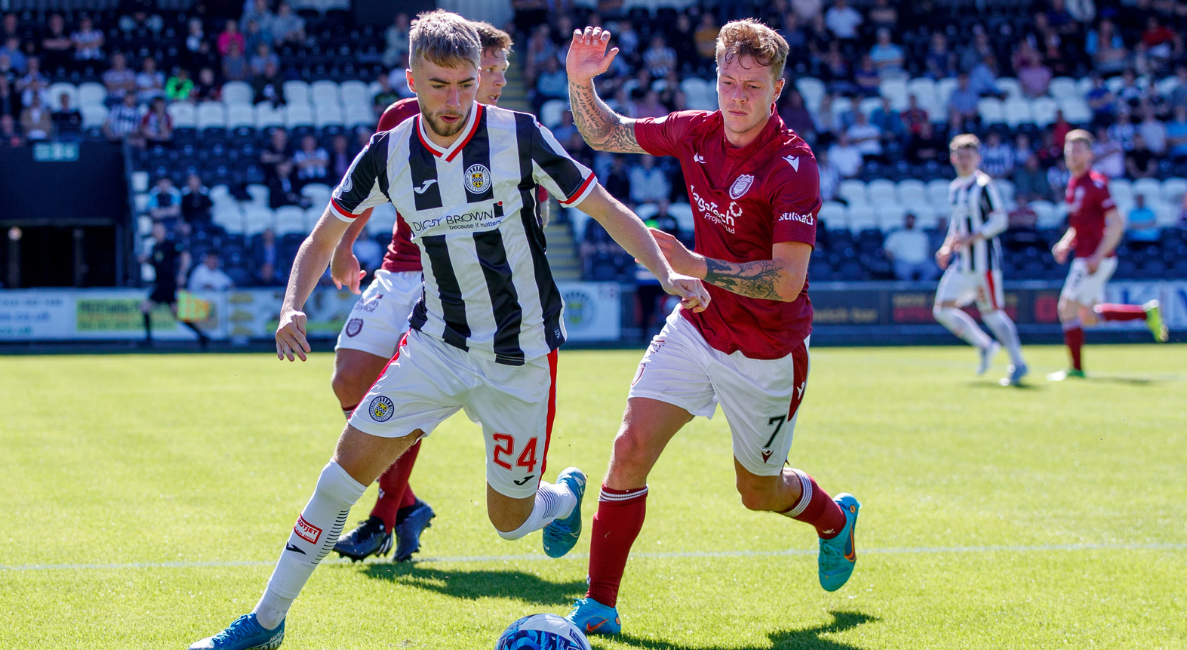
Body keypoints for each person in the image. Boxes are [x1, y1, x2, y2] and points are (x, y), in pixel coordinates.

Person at [186, 12, 708, 650]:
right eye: (439, 85)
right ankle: (265, 623)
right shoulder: (388, 151)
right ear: (412, 79)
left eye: (466, 83)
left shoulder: (520, 135)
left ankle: (560, 499)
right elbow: (322, 238)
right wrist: (293, 305)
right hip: (435, 346)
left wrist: (662, 272)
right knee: (337, 477)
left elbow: (605, 209)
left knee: (509, 523)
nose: (456, 100)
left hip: (520, 360)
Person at [561, 20, 858, 637]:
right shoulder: (696, 130)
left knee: (757, 491)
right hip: (697, 324)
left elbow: (786, 281)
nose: (736, 97)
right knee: (630, 447)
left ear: (778, 88)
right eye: (727, 81)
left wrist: (699, 265)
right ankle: (599, 604)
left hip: (768, 352)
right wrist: (580, 83)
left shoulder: (793, 164)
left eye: (752, 85)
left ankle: (833, 521)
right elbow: (605, 132)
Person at [327, 20, 546, 564]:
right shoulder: (402, 119)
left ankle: (384, 514)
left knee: (408, 390)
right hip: (401, 265)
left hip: (453, 282)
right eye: (488, 71)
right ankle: (407, 505)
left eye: (497, 74)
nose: (493, 82)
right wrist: (342, 246)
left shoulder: (509, 134)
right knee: (349, 378)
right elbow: (364, 191)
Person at [1050, 130, 1169, 382]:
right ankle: (1146, 313)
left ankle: (1077, 369)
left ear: (1090, 154)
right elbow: (1078, 226)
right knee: (1088, 317)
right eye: (1069, 150)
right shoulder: (1073, 183)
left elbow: (1116, 223)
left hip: (1094, 259)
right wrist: (1065, 243)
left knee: (1066, 309)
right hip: (1085, 256)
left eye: (1078, 150)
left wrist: (1097, 255)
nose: (1072, 154)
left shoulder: (1096, 183)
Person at [932, 134, 1029, 386]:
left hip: (984, 264)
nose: (964, 161)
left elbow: (1000, 220)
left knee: (993, 314)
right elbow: (957, 223)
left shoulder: (984, 186)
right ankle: (985, 345)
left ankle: (1018, 362)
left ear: (978, 158)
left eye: (968, 156)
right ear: (953, 158)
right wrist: (946, 247)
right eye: (959, 156)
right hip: (962, 263)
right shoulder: (955, 188)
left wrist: (972, 237)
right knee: (942, 310)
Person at [139, 221, 208, 348]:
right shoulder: (155, 248)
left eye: (159, 230)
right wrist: (146, 260)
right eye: (155, 231)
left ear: (164, 231)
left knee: (144, 307)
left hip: (167, 284)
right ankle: (202, 336)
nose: (157, 233)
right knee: (177, 313)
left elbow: (185, 255)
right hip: (161, 283)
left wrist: (182, 273)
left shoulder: (170, 244)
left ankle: (148, 340)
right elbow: (157, 263)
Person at [885, 213, 938, 281]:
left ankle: (921, 287)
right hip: (903, 260)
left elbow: (928, 249)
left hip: (921, 260)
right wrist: (893, 260)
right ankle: (909, 289)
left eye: (912, 220)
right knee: (902, 272)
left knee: (932, 269)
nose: (910, 222)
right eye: (908, 220)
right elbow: (887, 249)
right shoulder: (896, 234)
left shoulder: (921, 235)